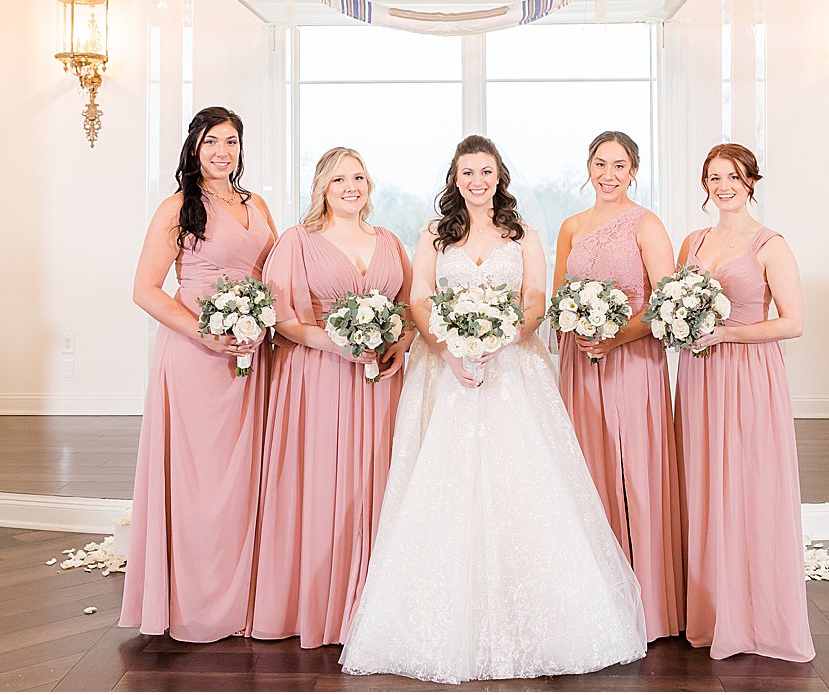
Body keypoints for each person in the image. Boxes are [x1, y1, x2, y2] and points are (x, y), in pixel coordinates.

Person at [340, 135, 646, 684]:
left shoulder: (522, 233)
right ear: (455, 180)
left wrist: (501, 338)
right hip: (447, 371)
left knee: (525, 486)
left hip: (513, 371)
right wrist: (449, 347)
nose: (477, 181)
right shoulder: (434, 234)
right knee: (443, 488)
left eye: (485, 172)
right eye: (467, 173)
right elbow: (419, 298)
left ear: (499, 176)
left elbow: (534, 300)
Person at [118, 106, 277, 642]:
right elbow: (145, 289)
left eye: (231, 141)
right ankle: (194, 597)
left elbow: (273, 275)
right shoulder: (178, 207)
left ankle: (245, 592)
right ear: (193, 148)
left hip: (252, 359)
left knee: (246, 477)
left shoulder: (256, 204)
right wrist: (205, 333)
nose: (221, 152)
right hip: (196, 358)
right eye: (211, 141)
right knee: (200, 481)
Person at [251, 148, 414, 648]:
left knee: (379, 484)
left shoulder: (388, 241)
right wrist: (339, 343)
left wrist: (399, 347)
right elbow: (281, 317)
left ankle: (374, 606)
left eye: (359, 177)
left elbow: (409, 309)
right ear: (322, 186)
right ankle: (321, 604)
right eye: (340, 178)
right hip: (317, 379)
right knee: (326, 485)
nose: (351, 186)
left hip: (380, 384)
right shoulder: (297, 243)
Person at [676, 143, 813, 662]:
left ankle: (753, 615)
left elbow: (793, 322)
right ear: (705, 184)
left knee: (747, 481)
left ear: (751, 181)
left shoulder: (769, 245)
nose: (722, 186)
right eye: (713, 177)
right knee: (705, 481)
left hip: (748, 374)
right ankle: (711, 609)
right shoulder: (693, 241)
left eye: (732, 176)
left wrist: (726, 335)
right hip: (698, 376)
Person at [554, 131, 684, 641]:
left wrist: (616, 337)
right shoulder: (571, 226)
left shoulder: (646, 224)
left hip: (632, 361)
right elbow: (562, 294)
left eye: (620, 164)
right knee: (586, 470)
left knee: (635, 468)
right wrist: (578, 331)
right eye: (600, 163)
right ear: (588, 167)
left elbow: (665, 303)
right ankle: (594, 598)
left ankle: (647, 600)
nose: (609, 174)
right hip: (579, 362)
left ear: (634, 171)